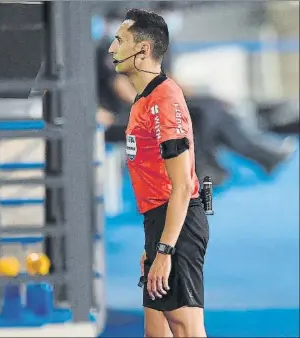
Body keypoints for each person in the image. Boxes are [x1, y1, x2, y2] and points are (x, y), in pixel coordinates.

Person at [108, 9, 209, 337]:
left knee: (186, 328)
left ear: (143, 51)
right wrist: (152, 243)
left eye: (120, 41)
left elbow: (181, 186)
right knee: (156, 330)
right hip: (160, 222)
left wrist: (165, 250)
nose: (112, 49)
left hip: (178, 225)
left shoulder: (164, 101)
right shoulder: (143, 99)